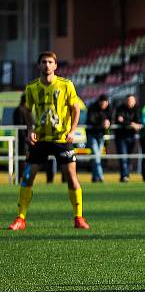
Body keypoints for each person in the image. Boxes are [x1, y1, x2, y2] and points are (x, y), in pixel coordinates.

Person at [8, 51, 89, 230]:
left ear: (55, 66)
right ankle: (21, 218)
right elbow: (28, 110)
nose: (46, 65)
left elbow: (76, 109)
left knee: (71, 177)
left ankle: (78, 217)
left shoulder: (66, 85)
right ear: (39, 65)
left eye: (50, 62)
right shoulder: (31, 88)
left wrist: (73, 130)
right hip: (41, 139)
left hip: (61, 139)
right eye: (43, 62)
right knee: (28, 176)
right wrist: (30, 130)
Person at [114, 94, 142, 183]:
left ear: (134, 101)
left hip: (131, 136)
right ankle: (124, 176)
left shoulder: (137, 109)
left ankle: (126, 174)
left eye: (131, 100)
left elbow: (138, 121)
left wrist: (127, 122)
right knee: (123, 157)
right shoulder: (120, 108)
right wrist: (131, 124)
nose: (130, 102)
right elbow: (119, 120)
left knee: (128, 157)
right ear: (125, 101)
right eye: (128, 100)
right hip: (121, 137)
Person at [86, 94, 113, 182]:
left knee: (97, 156)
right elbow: (91, 120)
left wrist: (109, 123)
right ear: (99, 102)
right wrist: (102, 123)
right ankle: (101, 177)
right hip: (92, 134)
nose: (104, 105)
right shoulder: (92, 108)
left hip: (101, 135)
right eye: (102, 103)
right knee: (96, 155)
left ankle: (95, 177)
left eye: (105, 103)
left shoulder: (109, 109)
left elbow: (111, 119)